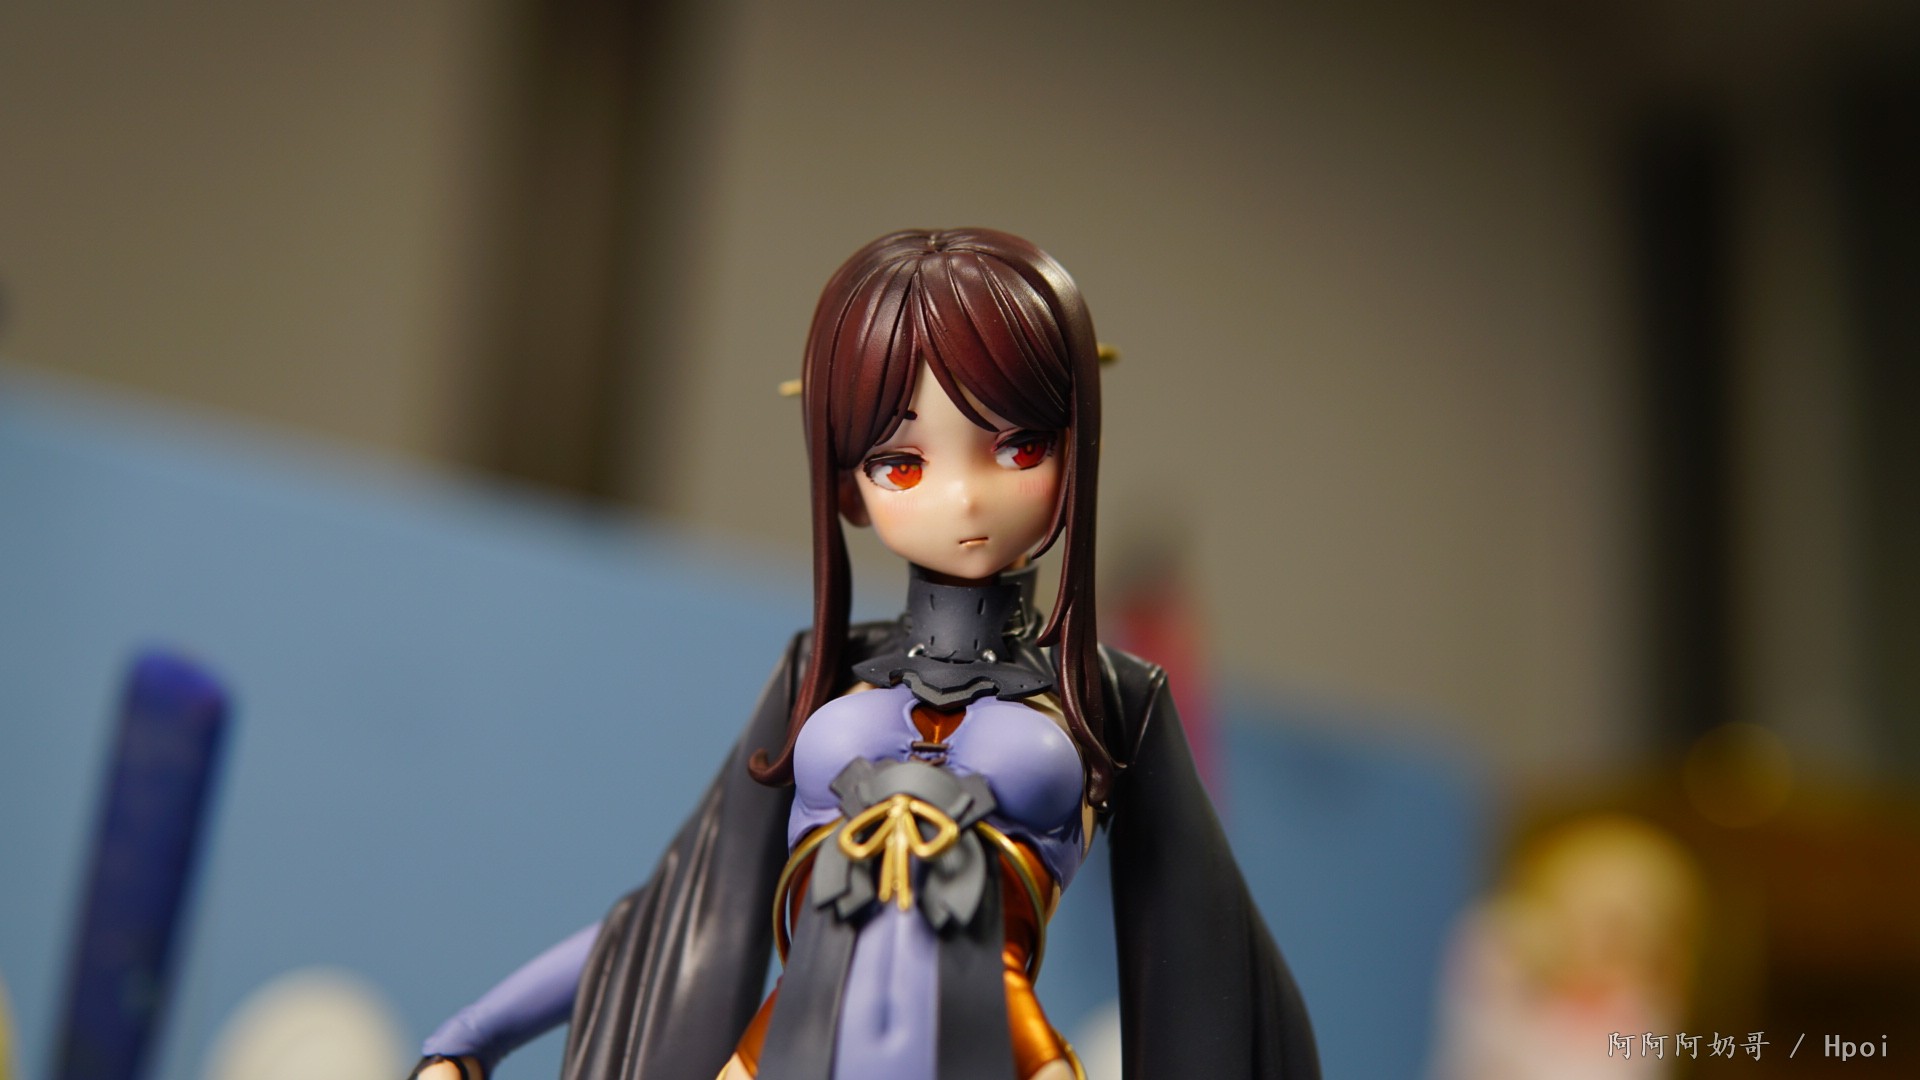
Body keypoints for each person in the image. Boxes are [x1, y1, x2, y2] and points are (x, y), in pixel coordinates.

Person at [409, 229, 1319, 1080]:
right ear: (848, 483)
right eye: (905, 462)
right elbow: (678, 919)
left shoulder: (1111, 697)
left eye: (1018, 446)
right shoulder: (821, 673)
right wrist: (473, 1040)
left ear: (1075, 450)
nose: (964, 498)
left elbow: (1200, 951)